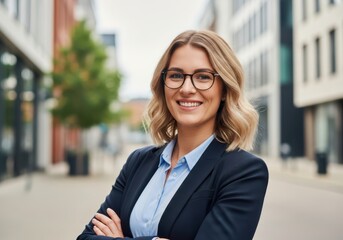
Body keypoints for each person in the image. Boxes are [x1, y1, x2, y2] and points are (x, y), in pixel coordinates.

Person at [77, 30, 268, 240]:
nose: (187, 88)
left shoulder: (243, 172)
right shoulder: (138, 162)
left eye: (203, 77)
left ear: (224, 90)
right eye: (176, 75)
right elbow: (86, 237)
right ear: (163, 85)